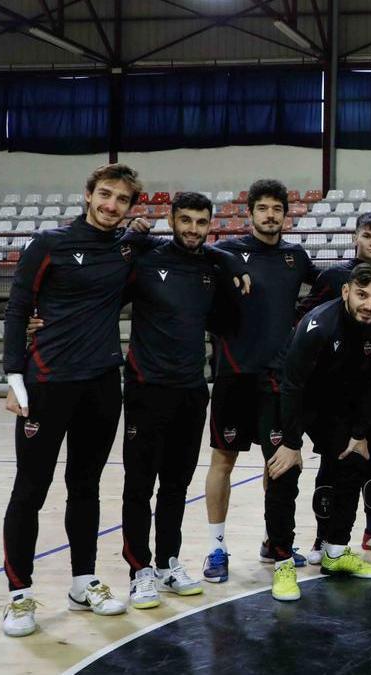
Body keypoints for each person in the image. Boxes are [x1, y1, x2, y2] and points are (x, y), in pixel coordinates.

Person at [1, 164, 147, 636]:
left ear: (130, 207)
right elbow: (19, 307)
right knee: (30, 491)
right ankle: (19, 596)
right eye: (105, 195)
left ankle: (83, 582)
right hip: (46, 384)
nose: (111, 205)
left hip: (103, 385)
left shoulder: (126, 250)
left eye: (122, 200)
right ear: (88, 195)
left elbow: (167, 252)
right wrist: (13, 375)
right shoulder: (49, 245)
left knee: (85, 487)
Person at [118, 192, 246, 609]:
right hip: (145, 388)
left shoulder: (211, 267)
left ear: (210, 225)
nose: (193, 228)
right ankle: (140, 571)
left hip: (192, 391)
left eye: (201, 222)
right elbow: (99, 298)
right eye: (186, 220)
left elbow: (227, 320)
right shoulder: (145, 261)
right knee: (139, 486)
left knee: (176, 484)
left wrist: (235, 276)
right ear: (171, 219)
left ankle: (169, 562)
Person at [202, 178, 319, 584]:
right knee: (223, 460)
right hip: (233, 374)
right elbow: (191, 250)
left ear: (286, 214)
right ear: (249, 213)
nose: (270, 216)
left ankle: (275, 540)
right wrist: (231, 264)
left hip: (276, 379)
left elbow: (327, 288)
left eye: (277, 209)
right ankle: (216, 547)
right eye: (263, 208)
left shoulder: (295, 256)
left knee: (279, 465)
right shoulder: (227, 252)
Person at [271, 263, 371, 600]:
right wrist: (290, 441)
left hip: (338, 402)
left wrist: (359, 434)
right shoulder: (318, 325)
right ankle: (283, 562)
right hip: (291, 395)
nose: (369, 304)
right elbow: (292, 384)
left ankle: (336, 552)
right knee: (284, 472)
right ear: (346, 292)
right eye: (362, 295)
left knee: (352, 462)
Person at [296, 212, 371, 561]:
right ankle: (322, 537)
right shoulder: (334, 275)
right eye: (368, 235)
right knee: (332, 463)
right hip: (334, 392)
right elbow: (308, 316)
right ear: (356, 235)